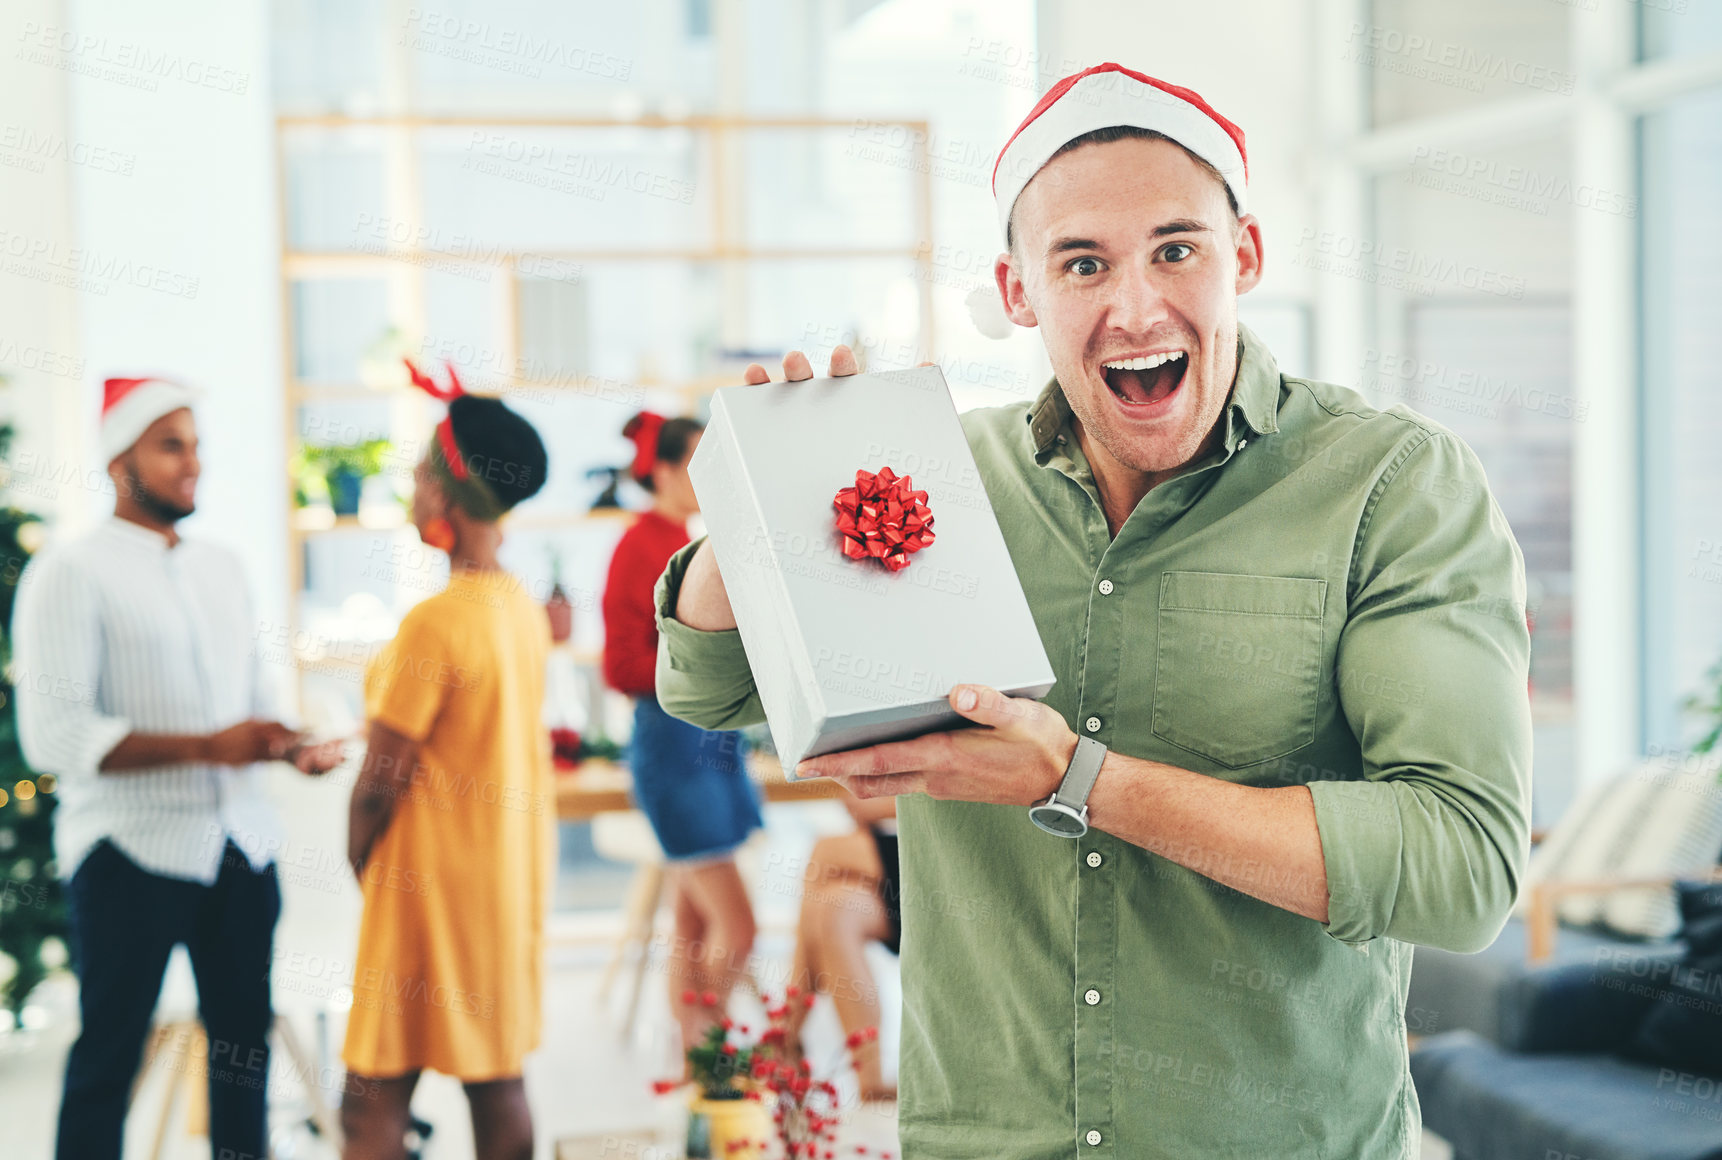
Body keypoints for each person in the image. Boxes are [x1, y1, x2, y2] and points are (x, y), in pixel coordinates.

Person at [653, 63, 1533, 1158]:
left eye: (1177, 248)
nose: (1135, 306)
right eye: (1082, 262)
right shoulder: (942, 479)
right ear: (1019, 290)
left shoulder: (1392, 484)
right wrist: (755, 491)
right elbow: (710, 687)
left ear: (1244, 255)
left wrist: (1083, 781)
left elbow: (1463, 865)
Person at [12, 376, 341, 1160]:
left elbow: (253, 701)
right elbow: (53, 738)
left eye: (195, 445)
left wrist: (291, 747)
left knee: (241, 1060)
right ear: (116, 459)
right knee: (109, 1059)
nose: (192, 463)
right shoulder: (69, 573)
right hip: (129, 855)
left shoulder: (224, 567)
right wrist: (206, 748)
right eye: (170, 446)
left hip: (240, 849)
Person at [340, 363, 553, 1160]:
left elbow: (382, 781)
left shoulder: (434, 622)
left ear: (447, 493)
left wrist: (359, 856)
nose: (414, 480)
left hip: (424, 889)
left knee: (370, 1096)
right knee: (495, 1078)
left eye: (424, 466)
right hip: (498, 882)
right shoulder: (517, 606)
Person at [601, 411, 762, 1060]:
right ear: (665, 472)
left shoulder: (688, 540)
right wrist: (697, 666)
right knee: (738, 927)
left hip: (710, 746)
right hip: (673, 750)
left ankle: (696, 1060)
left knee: (691, 924)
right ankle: (711, 1054)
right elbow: (619, 665)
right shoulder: (639, 546)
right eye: (697, 464)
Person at [783, 796, 899, 1101]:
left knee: (825, 852)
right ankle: (870, 1078)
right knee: (831, 908)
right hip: (904, 835)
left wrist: (882, 804)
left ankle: (784, 1038)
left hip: (943, 846)